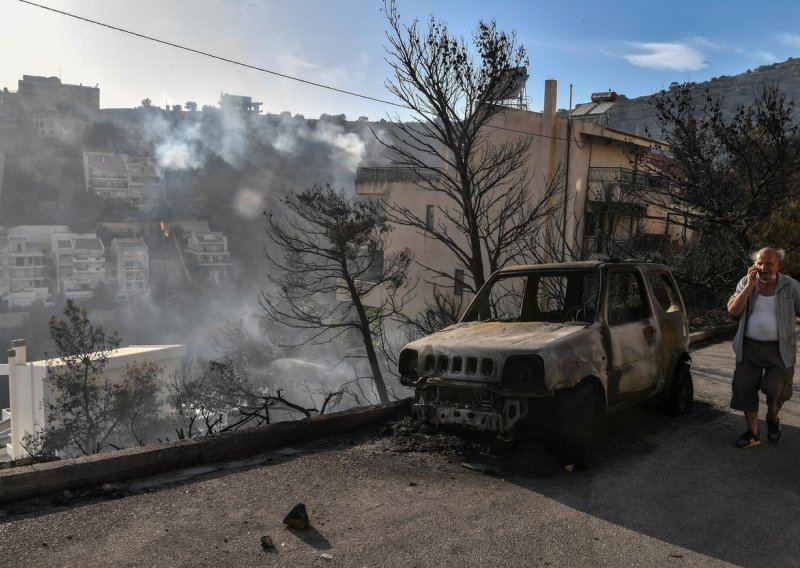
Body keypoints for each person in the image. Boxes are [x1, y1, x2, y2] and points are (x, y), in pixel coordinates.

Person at [727, 247, 800, 448]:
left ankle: (773, 418)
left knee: (776, 390)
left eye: (769, 263)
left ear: (779, 265)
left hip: (780, 350)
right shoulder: (746, 282)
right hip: (749, 347)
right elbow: (733, 312)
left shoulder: (791, 286)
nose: (763, 267)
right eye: (760, 262)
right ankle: (753, 434)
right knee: (744, 388)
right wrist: (749, 286)